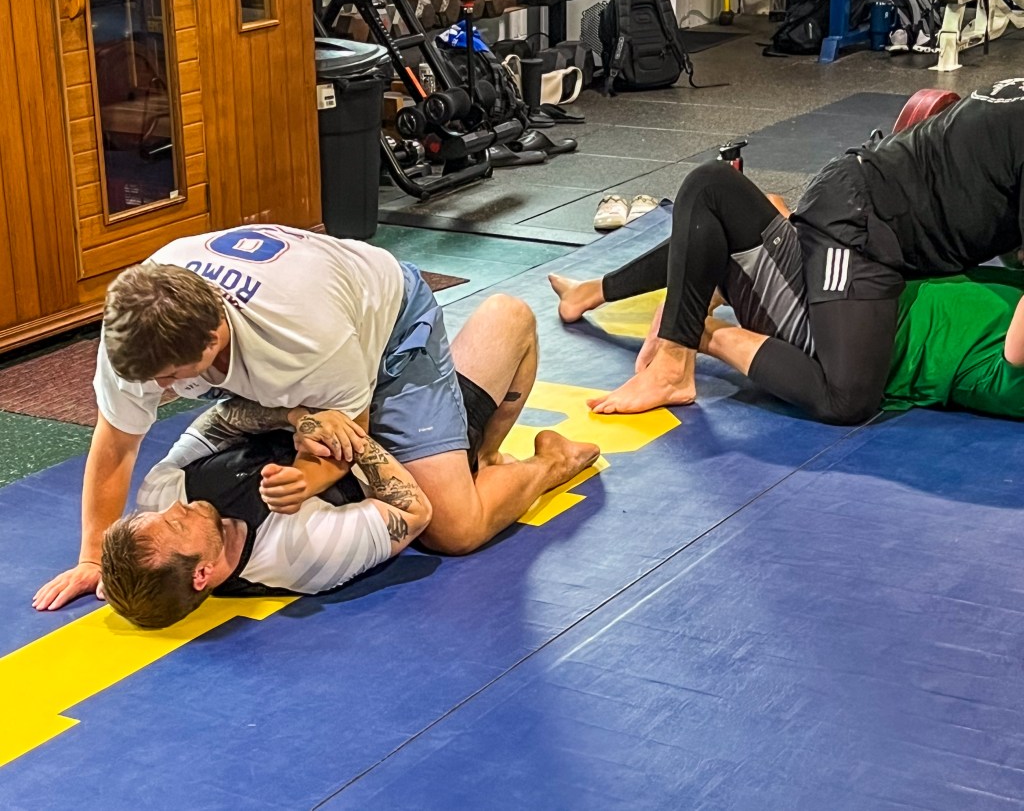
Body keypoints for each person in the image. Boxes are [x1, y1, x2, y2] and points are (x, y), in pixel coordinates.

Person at [34, 224, 599, 611]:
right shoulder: (137, 326)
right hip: (306, 339)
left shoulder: (302, 338)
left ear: (214, 337)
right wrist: (92, 556)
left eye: (171, 377)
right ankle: (474, 433)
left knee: (456, 529)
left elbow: (351, 433)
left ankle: (546, 458)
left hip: (386, 317)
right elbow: (116, 443)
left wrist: (307, 477)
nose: (160, 391)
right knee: (399, 462)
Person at [550, 79, 1024, 423]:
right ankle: (681, 351)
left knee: (766, 222)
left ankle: (594, 290)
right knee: (847, 397)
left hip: (880, 218)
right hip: (863, 225)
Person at [554, 201, 1024, 421]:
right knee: (765, 212)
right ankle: (601, 292)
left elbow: (1015, 349)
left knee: (718, 196)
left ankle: (695, 329)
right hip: (862, 287)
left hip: (841, 330)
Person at [102, 405, 431, 629]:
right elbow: (414, 512)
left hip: (289, 394)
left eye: (159, 515)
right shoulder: (301, 555)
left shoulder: (160, 493)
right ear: (201, 573)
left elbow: (221, 418)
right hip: (381, 427)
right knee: (454, 532)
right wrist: (343, 431)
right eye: (176, 524)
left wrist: (300, 417)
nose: (175, 507)